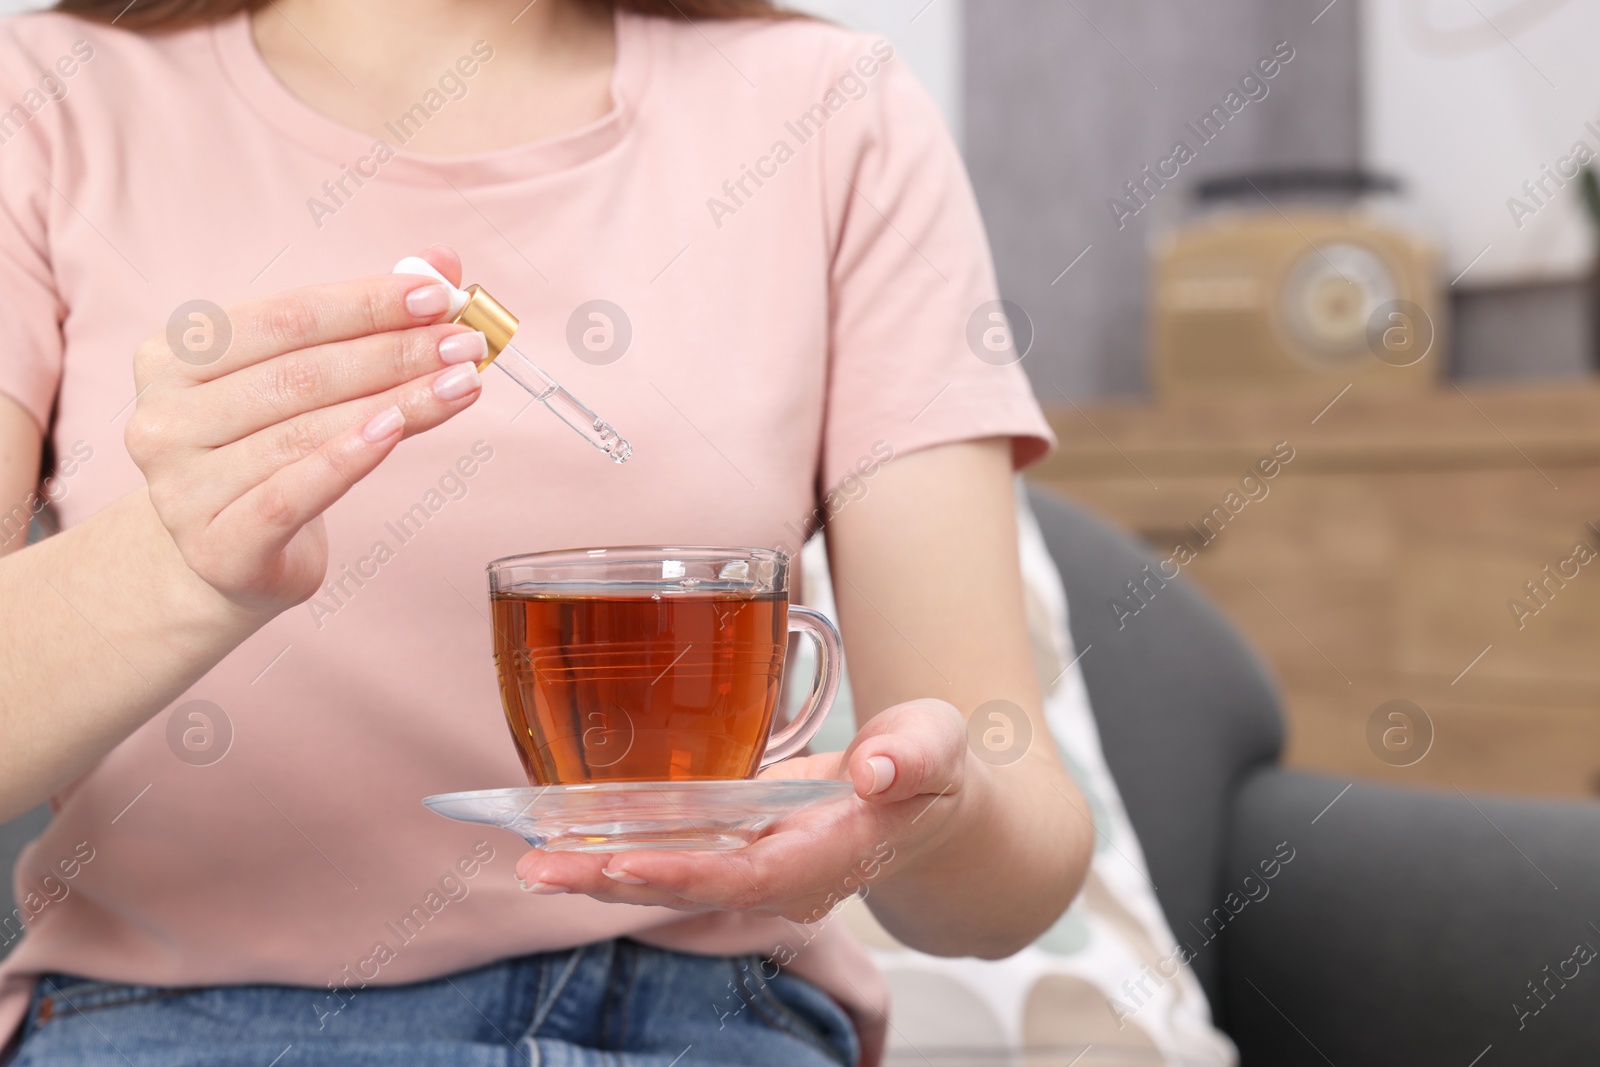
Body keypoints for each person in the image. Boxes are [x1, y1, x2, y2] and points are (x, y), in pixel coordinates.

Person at [0, 0, 1093, 1063]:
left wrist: (926, 820)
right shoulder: (39, 98)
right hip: (176, 1019)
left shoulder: (832, 110)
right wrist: (179, 568)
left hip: (714, 1019)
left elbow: (1013, 859)